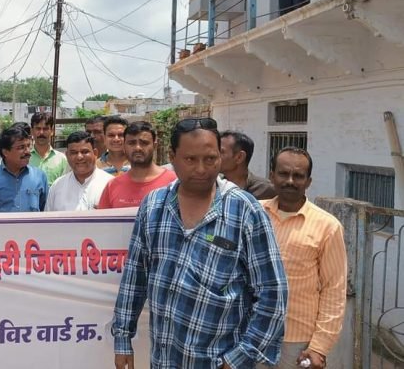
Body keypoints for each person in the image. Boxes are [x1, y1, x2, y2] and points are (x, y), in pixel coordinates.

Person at [112, 117, 288, 368]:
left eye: (210, 159)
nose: (201, 169)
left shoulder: (245, 210)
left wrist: (239, 357)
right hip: (164, 359)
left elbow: (273, 292)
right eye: (190, 159)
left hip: (220, 361)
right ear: (172, 157)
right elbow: (135, 276)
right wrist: (122, 338)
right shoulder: (153, 206)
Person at [261, 147, 347, 369]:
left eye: (298, 176)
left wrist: (319, 346)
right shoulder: (255, 214)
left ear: (308, 181)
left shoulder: (327, 226)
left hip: (298, 342)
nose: (290, 181)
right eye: (283, 173)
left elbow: (334, 289)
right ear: (271, 175)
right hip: (253, 334)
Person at [98, 121, 177, 209]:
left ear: (154, 146)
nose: (137, 148)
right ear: (124, 147)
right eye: (132, 143)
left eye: (144, 143)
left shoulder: (174, 182)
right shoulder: (112, 186)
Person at [0, 125, 48, 212]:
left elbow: (46, 211)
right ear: (5, 152)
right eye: (21, 147)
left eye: (28, 146)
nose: (27, 151)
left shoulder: (39, 177)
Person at [46, 131, 112, 211]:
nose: (79, 157)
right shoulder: (57, 186)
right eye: (74, 153)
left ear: (95, 153)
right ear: (67, 155)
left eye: (85, 152)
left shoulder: (110, 184)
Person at [220, 130, 276, 200]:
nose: (214, 156)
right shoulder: (214, 187)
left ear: (240, 157)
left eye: (221, 152)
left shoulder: (266, 190)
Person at [29, 112, 69, 186]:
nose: (41, 133)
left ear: (52, 131)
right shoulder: (25, 158)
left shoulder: (62, 159)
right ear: (31, 131)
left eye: (45, 129)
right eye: (38, 128)